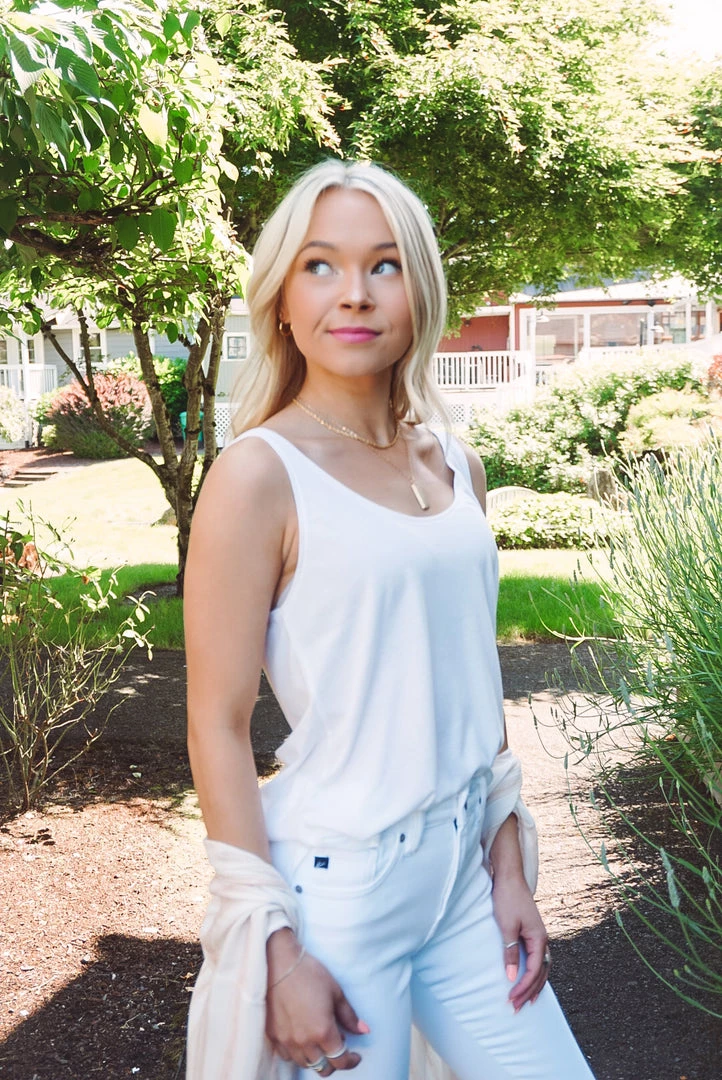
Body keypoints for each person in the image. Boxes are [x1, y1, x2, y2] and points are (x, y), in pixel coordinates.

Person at [183, 159, 596, 1080]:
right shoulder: (258, 476)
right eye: (320, 265)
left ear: (421, 292)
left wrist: (508, 867)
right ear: (282, 299)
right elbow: (216, 723)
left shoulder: (454, 462)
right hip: (340, 897)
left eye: (385, 265)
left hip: (463, 881)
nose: (355, 294)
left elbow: (474, 680)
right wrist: (274, 951)